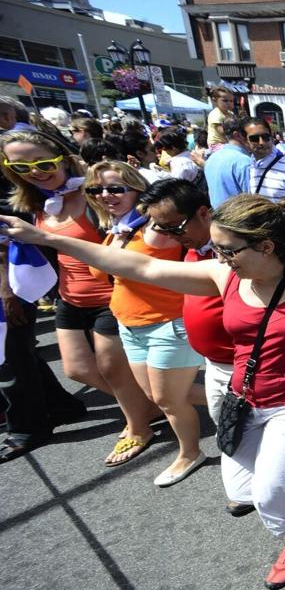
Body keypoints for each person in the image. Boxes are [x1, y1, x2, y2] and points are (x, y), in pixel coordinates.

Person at [1, 193, 285, 589]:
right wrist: (46, 238)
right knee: (244, 490)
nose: (220, 257)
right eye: (217, 248)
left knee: (271, 495)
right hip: (243, 400)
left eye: (228, 249)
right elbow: (140, 266)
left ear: (266, 247)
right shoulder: (223, 274)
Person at [84, 160, 209, 486]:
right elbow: (103, 271)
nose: (105, 195)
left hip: (167, 323)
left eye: (115, 188)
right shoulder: (122, 226)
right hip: (130, 325)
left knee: (169, 400)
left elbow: (123, 266)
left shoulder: (157, 227)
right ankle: (244, 401)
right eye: (96, 190)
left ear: (138, 190)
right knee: (159, 395)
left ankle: (190, 453)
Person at [0, 131, 104, 462]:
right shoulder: (28, 199)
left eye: (43, 163)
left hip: (109, 294)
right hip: (67, 294)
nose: (34, 171)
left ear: (61, 157)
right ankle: (63, 406)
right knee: (75, 368)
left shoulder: (94, 189)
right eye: (20, 166)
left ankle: (150, 411)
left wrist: (6, 290)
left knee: (14, 355)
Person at [244, 117, 285, 211]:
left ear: (272, 137)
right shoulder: (249, 168)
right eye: (254, 138)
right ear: (245, 141)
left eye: (266, 137)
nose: (261, 142)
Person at [204, 116, 252, 210]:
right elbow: (252, 199)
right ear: (237, 135)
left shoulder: (212, 158)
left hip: (219, 215)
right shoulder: (244, 162)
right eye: (252, 136)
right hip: (240, 216)